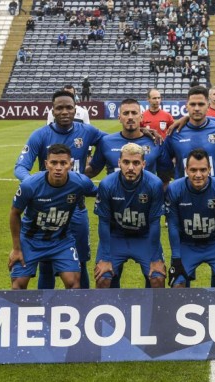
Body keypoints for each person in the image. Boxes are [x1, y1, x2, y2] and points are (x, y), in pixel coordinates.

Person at [15, 90, 106, 289]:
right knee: (46, 264)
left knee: (79, 262)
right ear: (53, 111)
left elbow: (113, 143)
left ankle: (83, 307)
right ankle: (44, 310)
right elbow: (20, 167)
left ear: (76, 110)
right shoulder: (40, 135)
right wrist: (36, 184)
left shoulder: (87, 131)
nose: (64, 111)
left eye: (69, 107)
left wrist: (143, 133)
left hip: (76, 210)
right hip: (46, 211)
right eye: (60, 108)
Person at [9, 144, 97, 290]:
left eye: (63, 163)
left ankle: (72, 311)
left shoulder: (80, 183)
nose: (58, 167)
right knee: (18, 285)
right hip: (30, 241)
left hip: (61, 241)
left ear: (70, 164)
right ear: (46, 164)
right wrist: (16, 248)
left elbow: (103, 193)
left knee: (73, 283)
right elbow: (14, 213)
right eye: (54, 163)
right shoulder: (29, 185)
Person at [93, 143, 165, 288]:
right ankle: (109, 309)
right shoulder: (107, 184)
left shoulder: (154, 184)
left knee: (157, 278)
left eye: (136, 163)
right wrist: (105, 258)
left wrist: (155, 259)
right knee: (103, 278)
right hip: (116, 236)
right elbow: (104, 222)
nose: (131, 168)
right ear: (119, 163)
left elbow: (155, 223)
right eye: (126, 162)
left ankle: (153, 310)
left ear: (143, 164)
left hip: (144, 237)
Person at [165, 148, 215, 288]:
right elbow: (173, 225)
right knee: (178, 284)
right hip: (187, 244)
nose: (198, 175)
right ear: (186, 170)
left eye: (203, 170)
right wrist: (176, 257)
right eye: (193, 170)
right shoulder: (175, 189)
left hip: (214, 243)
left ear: (209, 169)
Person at [86, 98, 167, 177]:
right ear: (119, 118)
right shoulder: (106, 142)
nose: (130, 117)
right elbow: (92, 171)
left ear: (141, 117)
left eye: (134, 113)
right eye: (126, 113)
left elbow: (165, 176)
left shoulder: (155, 142)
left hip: (146, 191)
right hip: (114, 191)